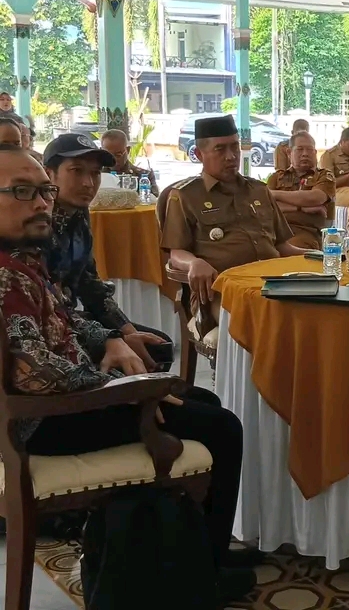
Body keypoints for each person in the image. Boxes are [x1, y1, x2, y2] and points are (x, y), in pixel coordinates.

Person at [0, 145, 257, 602]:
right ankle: (209, 570)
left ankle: (196, 555)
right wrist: (128, 390)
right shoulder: (5, 275)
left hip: (60, 404)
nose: (40, 203)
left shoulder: (22, 257)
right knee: (222, 426)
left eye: (44, 191)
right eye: (22, 191)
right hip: (43, 420)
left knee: (201, 401)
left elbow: (67, 314)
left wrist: (113, 339)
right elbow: (34, 371)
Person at [43, 134, 171, 371]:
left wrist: (127, 331)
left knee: (158, 346)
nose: (88, 183)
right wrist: (109, 338)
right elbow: (49, 306)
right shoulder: (36, 222)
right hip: (47, 328)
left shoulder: (79, 214)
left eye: (95, 173)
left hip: (72, 319)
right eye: (76, 171)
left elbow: (90, 283)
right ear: (49, 174)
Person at [161, 115, 304, 322]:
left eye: (235, 147)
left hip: (274, 284)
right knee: (263, 321)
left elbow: (283, 247)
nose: (231, 156)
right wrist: (193, 263)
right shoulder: (185, 196)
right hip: (221, 290)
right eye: (220, 149)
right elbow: (176, 252)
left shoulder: (258, 190)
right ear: (200, 154)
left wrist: (323, 255)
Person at [267, 131, 335, 249]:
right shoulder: (276, 178)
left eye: (309, 150)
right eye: (300, 149)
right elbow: (266, 205)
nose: (305, 154)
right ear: (289, 152)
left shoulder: (323, 176)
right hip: (274, 231)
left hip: (306, 232)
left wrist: (275, 195)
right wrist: (301, 208)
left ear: (315, 153)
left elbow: (315, 198)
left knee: (286, 250)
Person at [100, 128, 159, 196]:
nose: (113, 159)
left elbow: (153, 199)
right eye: (108, 155)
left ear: (128, 150)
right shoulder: (96, 176)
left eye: (118, 155)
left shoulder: (144, 176)